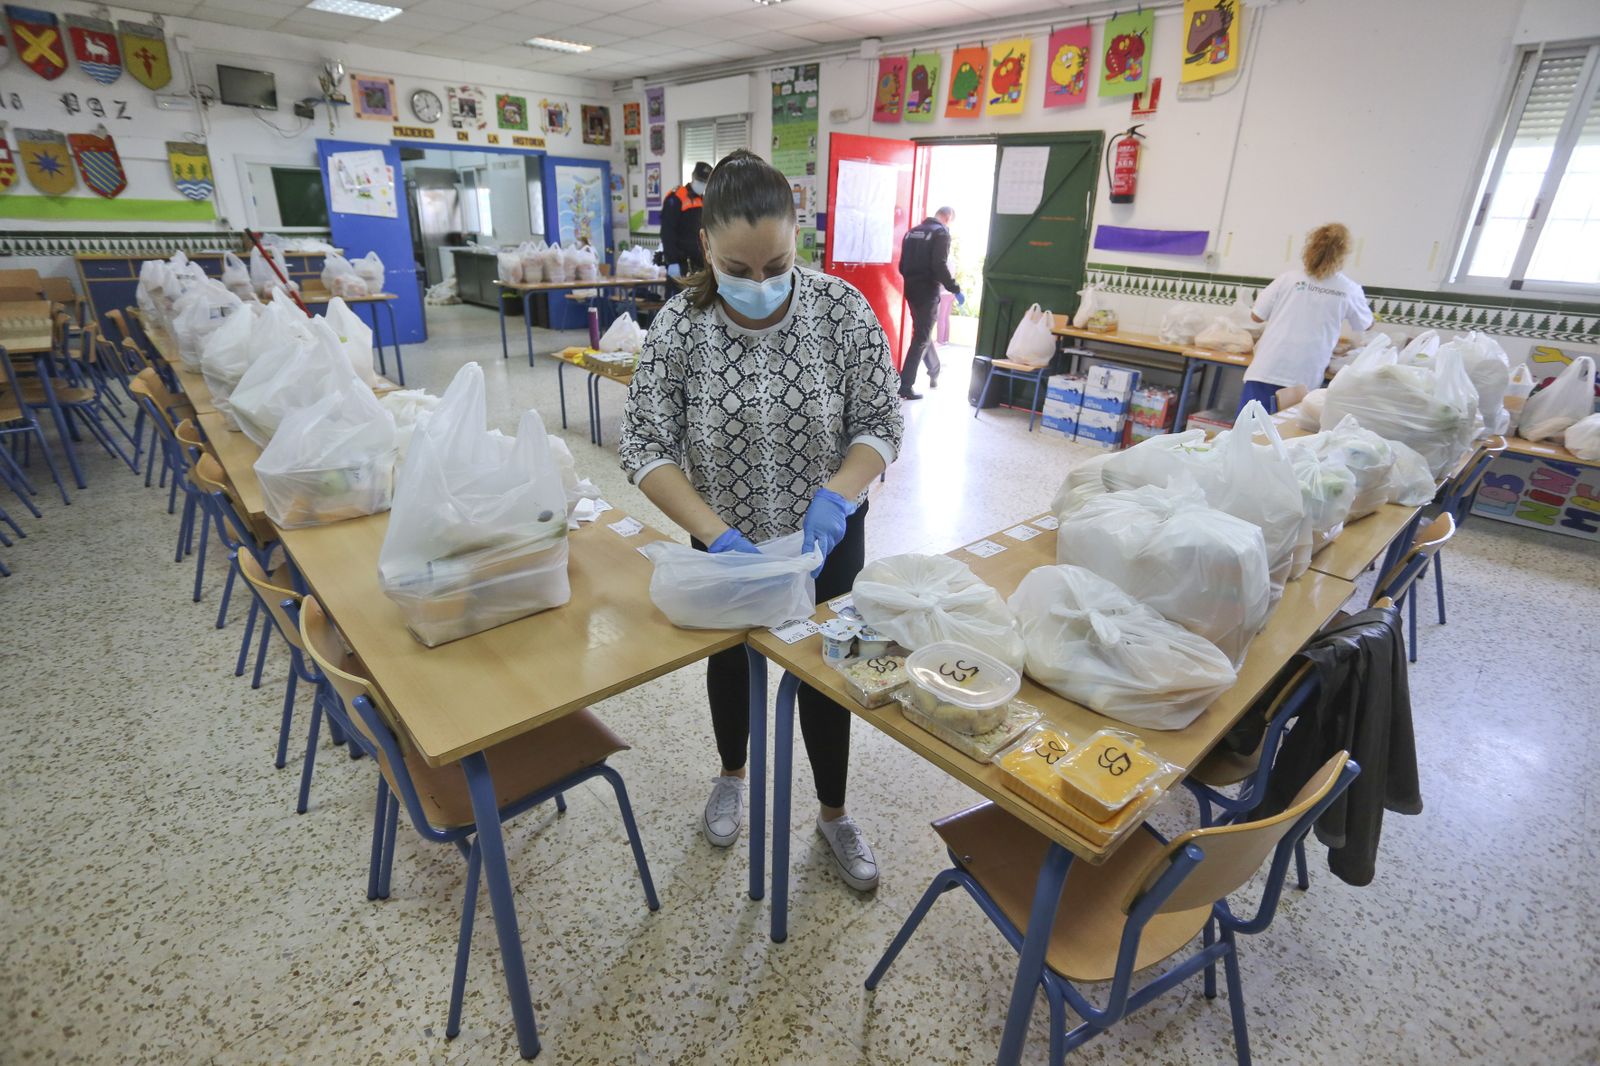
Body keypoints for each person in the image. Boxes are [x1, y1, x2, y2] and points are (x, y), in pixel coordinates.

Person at [620, 150, 905, 892]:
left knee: (827, 669)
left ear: (796, 240)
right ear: (705, 245)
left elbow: (881, 420)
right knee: (731, 659)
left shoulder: (841, 310)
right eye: (736, 269)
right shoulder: (680, 327)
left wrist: (838, 494)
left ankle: (835, 814)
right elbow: (644, 446)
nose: (757, 282)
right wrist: (716, 535)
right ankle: (731, 775)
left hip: (824, 540)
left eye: (774, 263)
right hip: (729, 539)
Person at [1240, 222, 1373, 412]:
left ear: (1310, 248)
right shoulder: (1349, 289)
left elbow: (1256, 316)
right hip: (1304, 376)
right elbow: (1365, 325)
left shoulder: (1288, 279)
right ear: (1343, 254)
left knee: (1247, 433)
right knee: (1284, 435)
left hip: (1267, 368)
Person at [896, 207, 964, 400]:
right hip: (927, 290)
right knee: (921, 337)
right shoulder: (941, 232)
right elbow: (939, 264)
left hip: (910, 288)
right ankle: (905, 386)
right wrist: (955, 288)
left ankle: (934, 371)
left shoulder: (912, 232)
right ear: (948, 217)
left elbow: (902, 265)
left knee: (922, 333)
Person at [659, 161, 712, 279]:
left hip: (699, 263)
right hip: (680, 263)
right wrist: (671, 261)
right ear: (693, 176)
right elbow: (667, 231)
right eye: (700, 180)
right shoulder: (676, 198)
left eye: (705, 182)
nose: (702, 184)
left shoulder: (703, 200)